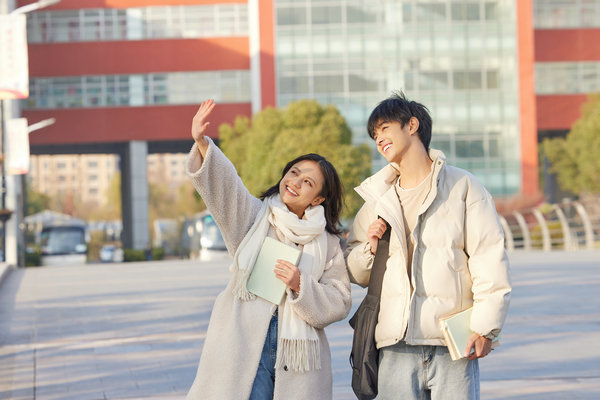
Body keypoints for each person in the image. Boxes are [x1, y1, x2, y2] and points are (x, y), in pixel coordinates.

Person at [344, 92, 511, 399]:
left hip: (452, 344)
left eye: (384, 128)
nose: (379, 138)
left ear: (412, 125)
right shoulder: (377, 199)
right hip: (395, 346)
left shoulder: (463, 186)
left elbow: (489, 258)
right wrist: (369, 247)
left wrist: (487, 328)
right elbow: (356, 272)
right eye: (374, 134)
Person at [184, 99, 352, 400]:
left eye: (307, 182)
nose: (295, 182)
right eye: (294, 173)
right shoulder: (254, 217)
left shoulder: (326, 243)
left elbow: (339, 300)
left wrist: (301, 284)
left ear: (318, 200)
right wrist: (203, 144)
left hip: (299, 359)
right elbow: (227, 187)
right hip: (246, 345)